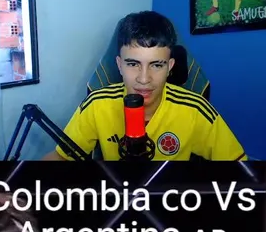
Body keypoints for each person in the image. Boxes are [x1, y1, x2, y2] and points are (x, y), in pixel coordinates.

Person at [44, 11, 245, 161]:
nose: (144, 79)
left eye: (156, 65)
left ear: (170, 67)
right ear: (119, 65)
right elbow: (61, 157)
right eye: (133, 64)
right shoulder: (97, 104)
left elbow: (240, 167)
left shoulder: (196, 110)